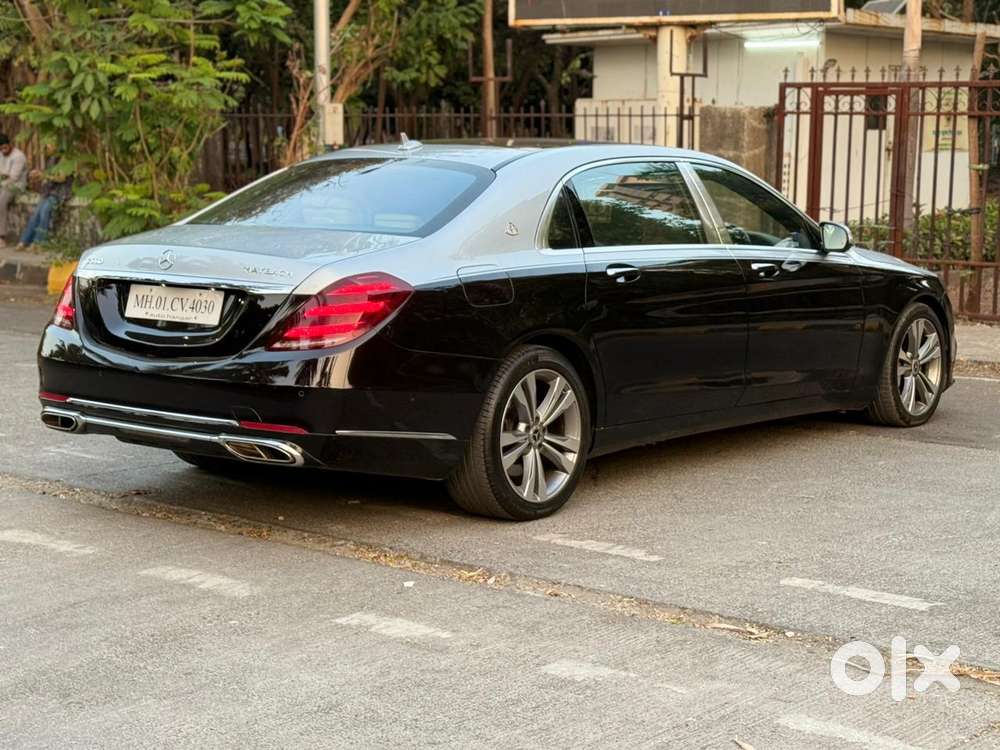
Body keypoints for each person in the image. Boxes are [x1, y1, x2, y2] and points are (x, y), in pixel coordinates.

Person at [16, 148, 73, 250]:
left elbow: (61, 178)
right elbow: (48, 175)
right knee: (36, 214)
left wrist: (44, 175)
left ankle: (39, 243)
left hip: (60, 193)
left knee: (45, 211)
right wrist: (37, 175)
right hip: (49, 192)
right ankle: (24, 241)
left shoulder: (66, 158)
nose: (47, 147)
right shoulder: (51, 159)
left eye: (50, 144)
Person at [0, 133, 27, 248]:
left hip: (16, 186)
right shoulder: (0, 154)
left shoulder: (18, 156)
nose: (3, 151)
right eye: (1, 149)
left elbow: (13, 177)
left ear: (10, 144)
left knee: (1, 201)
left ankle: (2, 237)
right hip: (3, 184)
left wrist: (3, 179)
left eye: (5, 147)